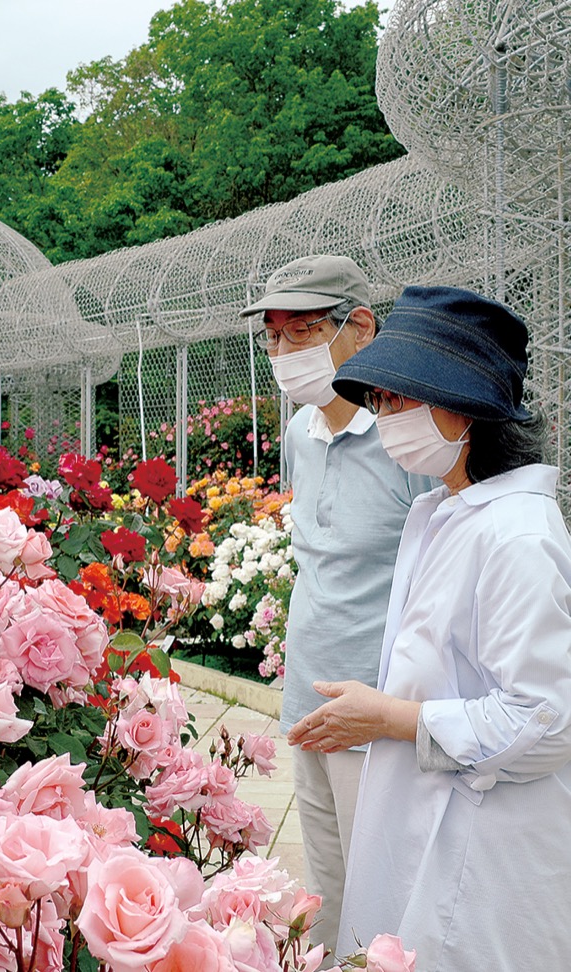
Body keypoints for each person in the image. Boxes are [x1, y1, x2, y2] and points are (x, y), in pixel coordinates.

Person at [287, 284, 571, 969]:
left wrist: (393, 718)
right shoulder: (440, 513)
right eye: (380, 399)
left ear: (471, 406)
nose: (386, 416)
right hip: (431, 813)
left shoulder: (518, 537)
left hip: (486, 851)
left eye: (403, 397)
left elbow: (546, 719)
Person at [240, 255, 434, 955]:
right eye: (274, 337)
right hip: (304, 698)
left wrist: (400, 707)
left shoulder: (406, 441)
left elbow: (433, 584)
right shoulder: (302, 433)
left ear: (358, 328)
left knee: (381, 882)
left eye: (301, 333)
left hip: (371, 707)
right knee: (325, 879)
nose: (284, 352)